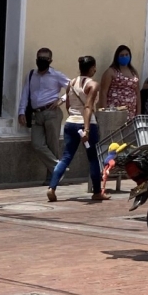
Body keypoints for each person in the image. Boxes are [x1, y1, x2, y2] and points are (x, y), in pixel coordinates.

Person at [48, 56, 110, 202]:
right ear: (92, 68)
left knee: (66, 157)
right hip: (87, 124)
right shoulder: (93, 85)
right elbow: (88, 107)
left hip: (70, 123)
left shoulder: (71, 83)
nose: (95, 70)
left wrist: (74, 118)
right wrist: (87, 129)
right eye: (94, 67)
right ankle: (97, 192)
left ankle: (52, 187)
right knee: (94, 159)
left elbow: (68, 105)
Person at [17, 48, 70, 178]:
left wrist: (62, 99)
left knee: (53, 145)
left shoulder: (56, 75)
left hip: (52, 113)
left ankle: (52, 178)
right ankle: (59, 167)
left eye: (45, 58)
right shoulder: (31, 75)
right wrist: (21, 111)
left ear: (50, 60)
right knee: (37, 144)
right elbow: (25, 94)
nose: (41, 61)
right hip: (36, 113)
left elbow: (73, 88)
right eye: (39, 58)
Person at [100, 45, 140, 119]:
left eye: (126, 55)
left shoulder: (134, 72)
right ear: (117, 57)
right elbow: (103, 92)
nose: (124, 57)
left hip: (131, 113)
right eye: (121, 55)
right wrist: (104, 112)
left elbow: (137, 93)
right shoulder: (111, 71)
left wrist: (138, 113)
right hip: (114, 112)